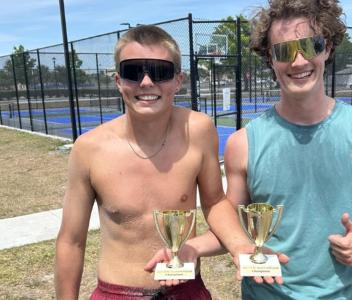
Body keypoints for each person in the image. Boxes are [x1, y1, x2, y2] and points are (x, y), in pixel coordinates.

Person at [55, 25, 250, 299]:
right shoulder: (89, 149)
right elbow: (71, 241)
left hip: (185, 290)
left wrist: (240, 245)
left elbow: (215, 202)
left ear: (178, 80)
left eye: (160, 72)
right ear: (118, 80)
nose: (146, 82)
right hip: (116, 292)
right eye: (134, 72)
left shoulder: (199, 131)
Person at [223, 0, 352, 299]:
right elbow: (227, 213)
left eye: (311, 45)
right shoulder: (242, 143)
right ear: (270, 57)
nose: (299, 61)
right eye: (284, 51)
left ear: (328, 47)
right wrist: (231, 245)